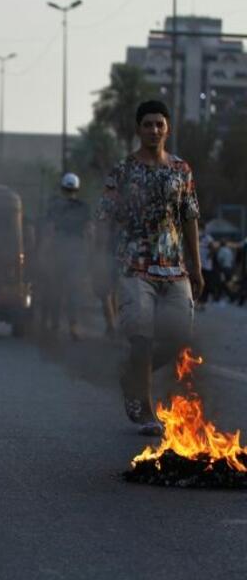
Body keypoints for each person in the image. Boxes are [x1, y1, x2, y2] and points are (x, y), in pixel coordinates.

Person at [94, 100, 203, 436]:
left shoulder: (181, 170)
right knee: (141, 338)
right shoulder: (123, 171)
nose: (154, 130)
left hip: (174, 269)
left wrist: (197, 269)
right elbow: (105, 221)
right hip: (134, 267)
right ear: (138, 129)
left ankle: (131, 373)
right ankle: (143, 408)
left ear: (167, 128)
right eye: (147, 125)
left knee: (179, 337)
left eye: (159, 124)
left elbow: (190, 219)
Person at [43, 172, 91, 340]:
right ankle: (73, 326)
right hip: (76, 254)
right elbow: (89, 233)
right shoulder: (84, 208)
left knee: (56, 289)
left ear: (62, 188)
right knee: (73, 291)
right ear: (77, 189)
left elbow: (49, 231)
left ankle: (55, 325)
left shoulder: (54, 206)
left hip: (59, 252)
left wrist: (45, 253)